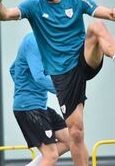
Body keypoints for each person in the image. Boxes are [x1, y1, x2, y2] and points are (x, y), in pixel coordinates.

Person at [0, 0, 115, 165]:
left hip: (83, 59)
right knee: (76, 133)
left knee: (96, 27)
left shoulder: (75, 0)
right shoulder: (34, 6)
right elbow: (5, 15)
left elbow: (103, 12)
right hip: (63, 76)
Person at [11, 32, 69, 166]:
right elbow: (39, 77)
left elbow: (13, 69)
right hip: (29, 108)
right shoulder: (33, 41)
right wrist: (65, 92)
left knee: (69, 140)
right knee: (51, 156)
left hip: (39, 105)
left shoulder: (42, 41)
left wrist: (26, 89)